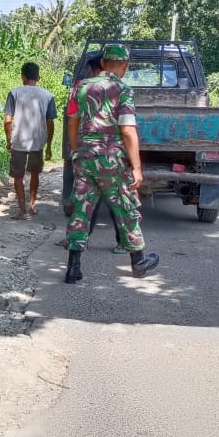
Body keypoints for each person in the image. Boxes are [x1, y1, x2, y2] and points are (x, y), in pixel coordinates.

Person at [63, 44, 159, 284]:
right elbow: (127, 130)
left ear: (103, 63)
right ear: (125, 67)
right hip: (111, 159)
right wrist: (136, 167)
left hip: (85, 157)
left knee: (81, 209)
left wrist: (77, 151)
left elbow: (72, 123)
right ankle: (138, 262)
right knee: (126, 208)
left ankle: (73, 268)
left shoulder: (79, 87)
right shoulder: (123, 89)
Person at [4, 62, 57, 219]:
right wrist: (48, 145)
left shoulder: (14, 93)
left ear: (23, 77)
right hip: (38, 141)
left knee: (18, 176)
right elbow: (50, 122)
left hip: (19, 140)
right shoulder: (47, 95)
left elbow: (8, 120)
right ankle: (32, 205)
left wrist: (9, 139)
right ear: (38, 77)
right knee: (35, 173)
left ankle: (22, 209)